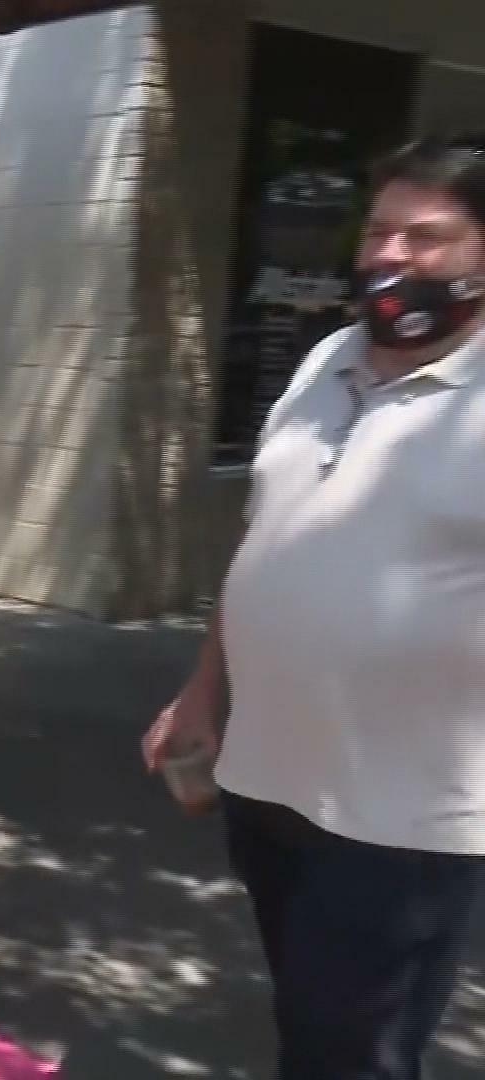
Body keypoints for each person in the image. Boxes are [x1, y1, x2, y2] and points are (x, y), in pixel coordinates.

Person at [143, 131, 485, 1080]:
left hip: (401, 820)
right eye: (379, 231)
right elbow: (265, 541)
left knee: (352, 1056)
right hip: (268, 784)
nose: (390, 256)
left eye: (427, 237)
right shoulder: (326, 358)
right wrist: (201, 694)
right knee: (310, 1027)